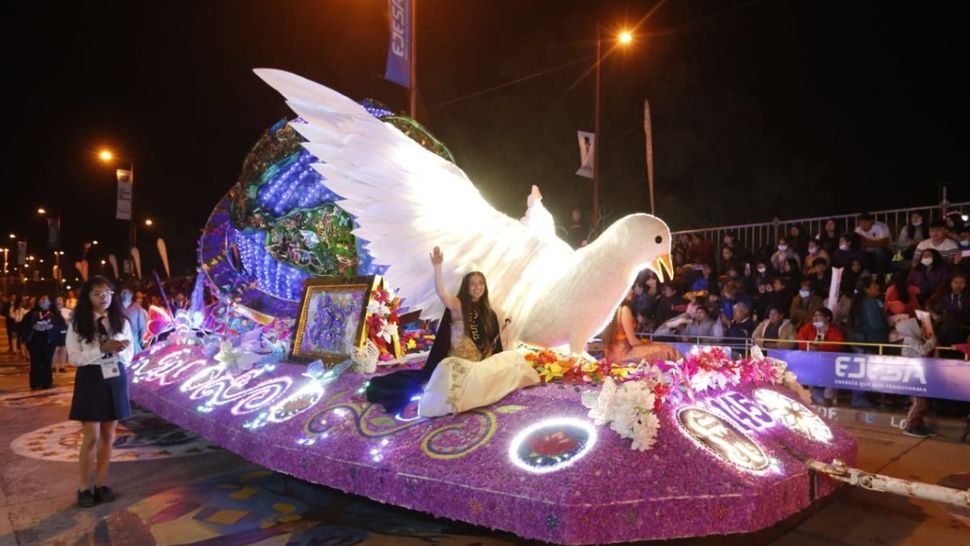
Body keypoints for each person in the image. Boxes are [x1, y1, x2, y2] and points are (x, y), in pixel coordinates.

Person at [367, 248, 537, 416]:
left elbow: (494, 345)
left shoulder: (488, 312)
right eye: (473, 284)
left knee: (513, 357)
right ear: (466, 286)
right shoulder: (458, 305)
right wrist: (437, 267)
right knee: (447, 368)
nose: (477, 287)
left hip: (480, 365)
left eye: (480, 284)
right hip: (461, 365)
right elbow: (442, 293)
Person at [66, 276, 134, 508]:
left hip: (115, 376)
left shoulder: (121, 321)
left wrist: (119, 350)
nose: (103, 297)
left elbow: (130, 355)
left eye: (107, 292)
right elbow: (74, 358)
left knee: (108, 435)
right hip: (90, 377)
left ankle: (102, 484)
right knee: (92, 436)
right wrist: (100, 350)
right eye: (97, 293)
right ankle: (84, 487)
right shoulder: (78, 323)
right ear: (87, 297)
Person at [603, 283, 682, 363]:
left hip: (613, 354)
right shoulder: (624, 310)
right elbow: (633, 342)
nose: (632, 291)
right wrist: (648, 344)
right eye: (629, 289)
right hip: (625, 354)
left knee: (658, 345)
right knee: (667, 349)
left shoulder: (613, 310)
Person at [845, 276, 890, 408]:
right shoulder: (870, 302)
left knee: (861, 371)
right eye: (874, 285)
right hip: (867, 341)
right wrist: (889, 323)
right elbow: (876, 324)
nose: (877, 288)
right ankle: (859, 398)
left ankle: (862, 398)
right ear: (866, 288)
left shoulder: (859, 302)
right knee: (864, 372)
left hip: (859, 342)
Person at [894, 316, 936, 438]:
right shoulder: (910, 339)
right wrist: (933, 340)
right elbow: (923, 350)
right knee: (919, 403)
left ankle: (918, 425)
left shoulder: (913, 338)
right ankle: (910, 426)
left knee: (921, 402)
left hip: (917, 374)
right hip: (913, 375)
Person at [796, 308, 846, 406]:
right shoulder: (809, 327)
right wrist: (809, 347)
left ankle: (828, 398)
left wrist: (818, 348)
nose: (815, 318)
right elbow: (800, 339)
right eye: (814, 316)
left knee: (832, 375)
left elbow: (838, 344)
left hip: (828, 362)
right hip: (810, 361)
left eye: (819, 315)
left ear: (827, 318)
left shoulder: (834, 330)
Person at [25, 295, 66, 390]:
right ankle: (35, 383)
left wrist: (52, 328)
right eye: (41, 299)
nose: (43, 301)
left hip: (49, 341)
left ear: (50, 302)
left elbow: (63, 328)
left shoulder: (55, 314)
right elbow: (24, 326)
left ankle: (47, 382)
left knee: (47, 361)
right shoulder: (32, 313)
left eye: (45, 299)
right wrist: (33, 327)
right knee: (35, 362)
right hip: (34, 341)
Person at [120, 288, 148, 354]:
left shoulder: (137, 308)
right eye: (122, 293)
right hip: (121, 341)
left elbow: (142, 327)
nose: (123, 295)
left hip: (134, 341)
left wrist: (143, 342)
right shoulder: (117, 308)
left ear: (131, 295)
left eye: (125, 293)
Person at [53, 295, 72, 373]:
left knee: (63, 349)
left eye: (60, 300)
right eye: (57, 300)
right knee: (55, 349)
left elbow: (71, 321)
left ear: (63, 302)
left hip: (64, 332)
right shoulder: (52, 312)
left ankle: (62, 366)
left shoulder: (67, 311)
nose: (59, 302)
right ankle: (53, 366)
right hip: (55, 332)